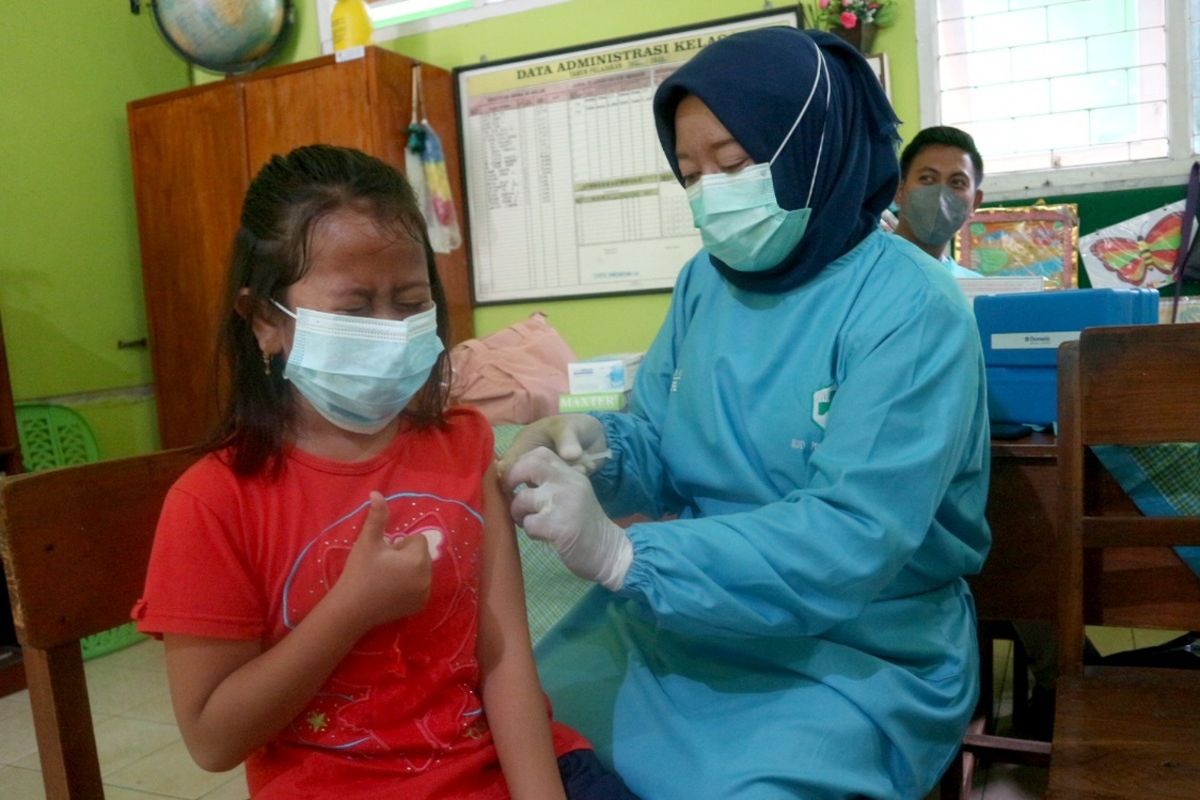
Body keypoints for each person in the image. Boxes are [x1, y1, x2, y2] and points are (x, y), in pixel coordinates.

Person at [497, 28, 992, 800]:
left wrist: (627, 558)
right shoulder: (706, 281)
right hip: (679, 626)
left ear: (812, 145)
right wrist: (598, 449)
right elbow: (660, 438)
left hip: (857, 651)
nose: (711, 195)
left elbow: (853, 537)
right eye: (690, 174)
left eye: (733, 164)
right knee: (504, 734)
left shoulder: (911, 304)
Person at [133, 145, 637, 799]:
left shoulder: (464, 443)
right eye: (353, 309)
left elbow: (504, 657)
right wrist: (351, 609)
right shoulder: (212, 501)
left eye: (409, 302)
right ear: (264, 321)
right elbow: (212, 738)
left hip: (515, 769)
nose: (390, 330)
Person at [890, 125, 985, 278]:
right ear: (899, 191)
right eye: (927, 178)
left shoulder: (978, 291)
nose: (940, 195)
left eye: (957, 182)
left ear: (975, 202)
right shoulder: (859, 270)